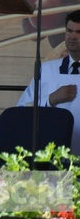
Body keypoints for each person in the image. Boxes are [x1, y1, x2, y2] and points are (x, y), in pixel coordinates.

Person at [17, 10, 80, 154]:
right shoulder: (45, 70)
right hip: (49, 154)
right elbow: (21, 110)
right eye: (69, 31)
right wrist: (50, 99)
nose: (72, 36)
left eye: (79, 32)